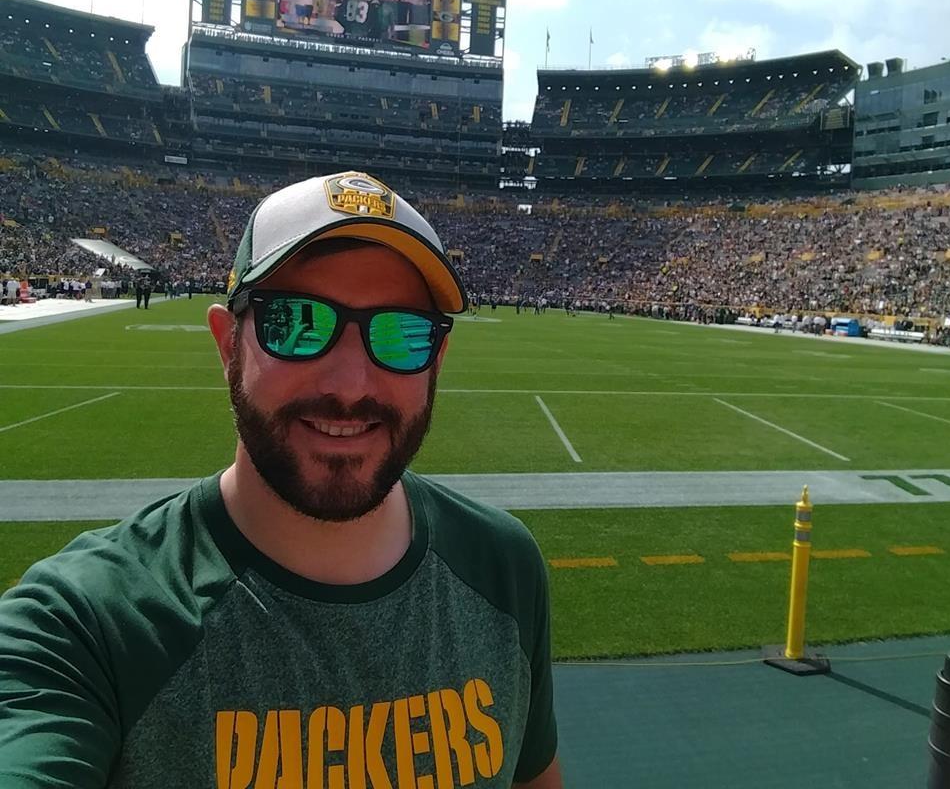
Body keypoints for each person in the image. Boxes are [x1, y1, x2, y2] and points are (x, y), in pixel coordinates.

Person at [0, 170, 562, 789]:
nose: (350, 385)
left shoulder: (504, 568)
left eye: (402, 334)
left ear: (437, 361)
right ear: (227, 345)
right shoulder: (88, 624)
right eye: (296, 322)